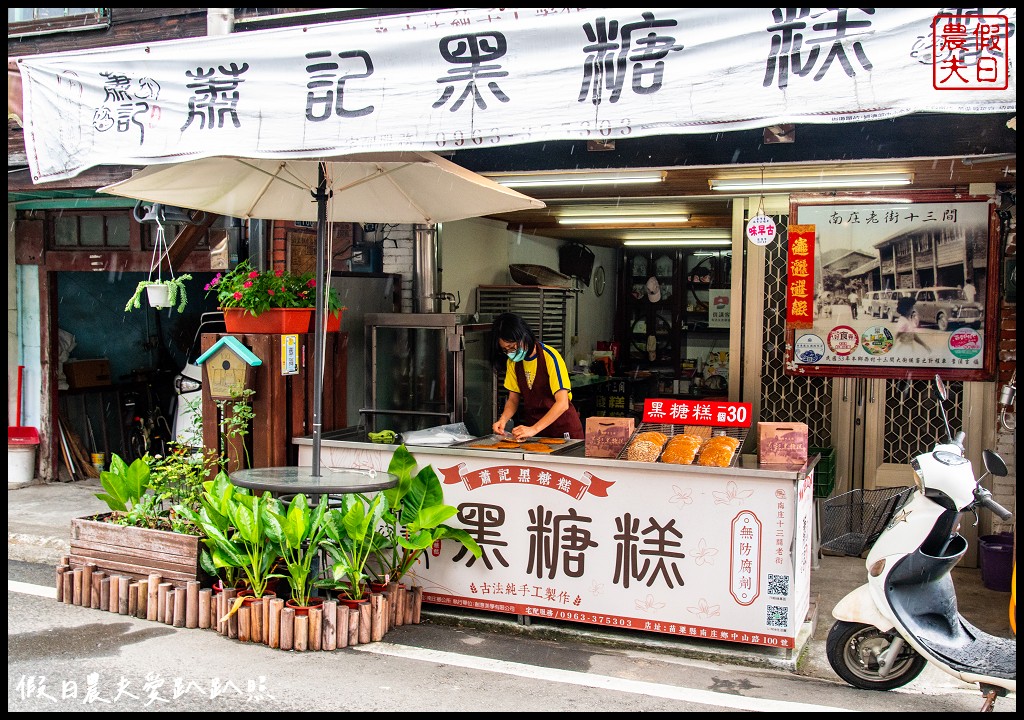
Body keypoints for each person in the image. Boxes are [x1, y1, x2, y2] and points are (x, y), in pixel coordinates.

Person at [490, 312, 584, 440]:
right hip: (535, 431)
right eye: (506, 350)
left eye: (512, 347)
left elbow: (562, 403)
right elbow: (513, 399)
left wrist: (534, 429)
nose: (510, 353)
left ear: (524, 336)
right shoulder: (513, 362)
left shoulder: (550, 357)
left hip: (562, 429)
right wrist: (503, 420)